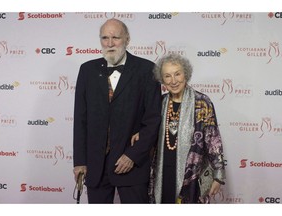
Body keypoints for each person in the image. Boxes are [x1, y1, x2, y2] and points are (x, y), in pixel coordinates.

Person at [72, 18, 162, 203]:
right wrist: (80, 161)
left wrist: (132, 155)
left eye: (116, 37)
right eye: (105, 38)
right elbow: (80, 120)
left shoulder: (147, 70)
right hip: (96, 166)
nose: (110, 43)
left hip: (131, 165)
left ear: (127, 39)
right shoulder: (87, 70)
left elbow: (153, 120)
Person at [133, 53, 226, 203]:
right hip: (162, 172)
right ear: (162, 80)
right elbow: (150, 129)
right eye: (168, 76)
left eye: (177, 74)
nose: (174, 81)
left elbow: (213, 139)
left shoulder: (202, 102)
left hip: (192, 175)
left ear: (186, 75)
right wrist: (140, 134)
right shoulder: (160, 103)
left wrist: (219, 174)